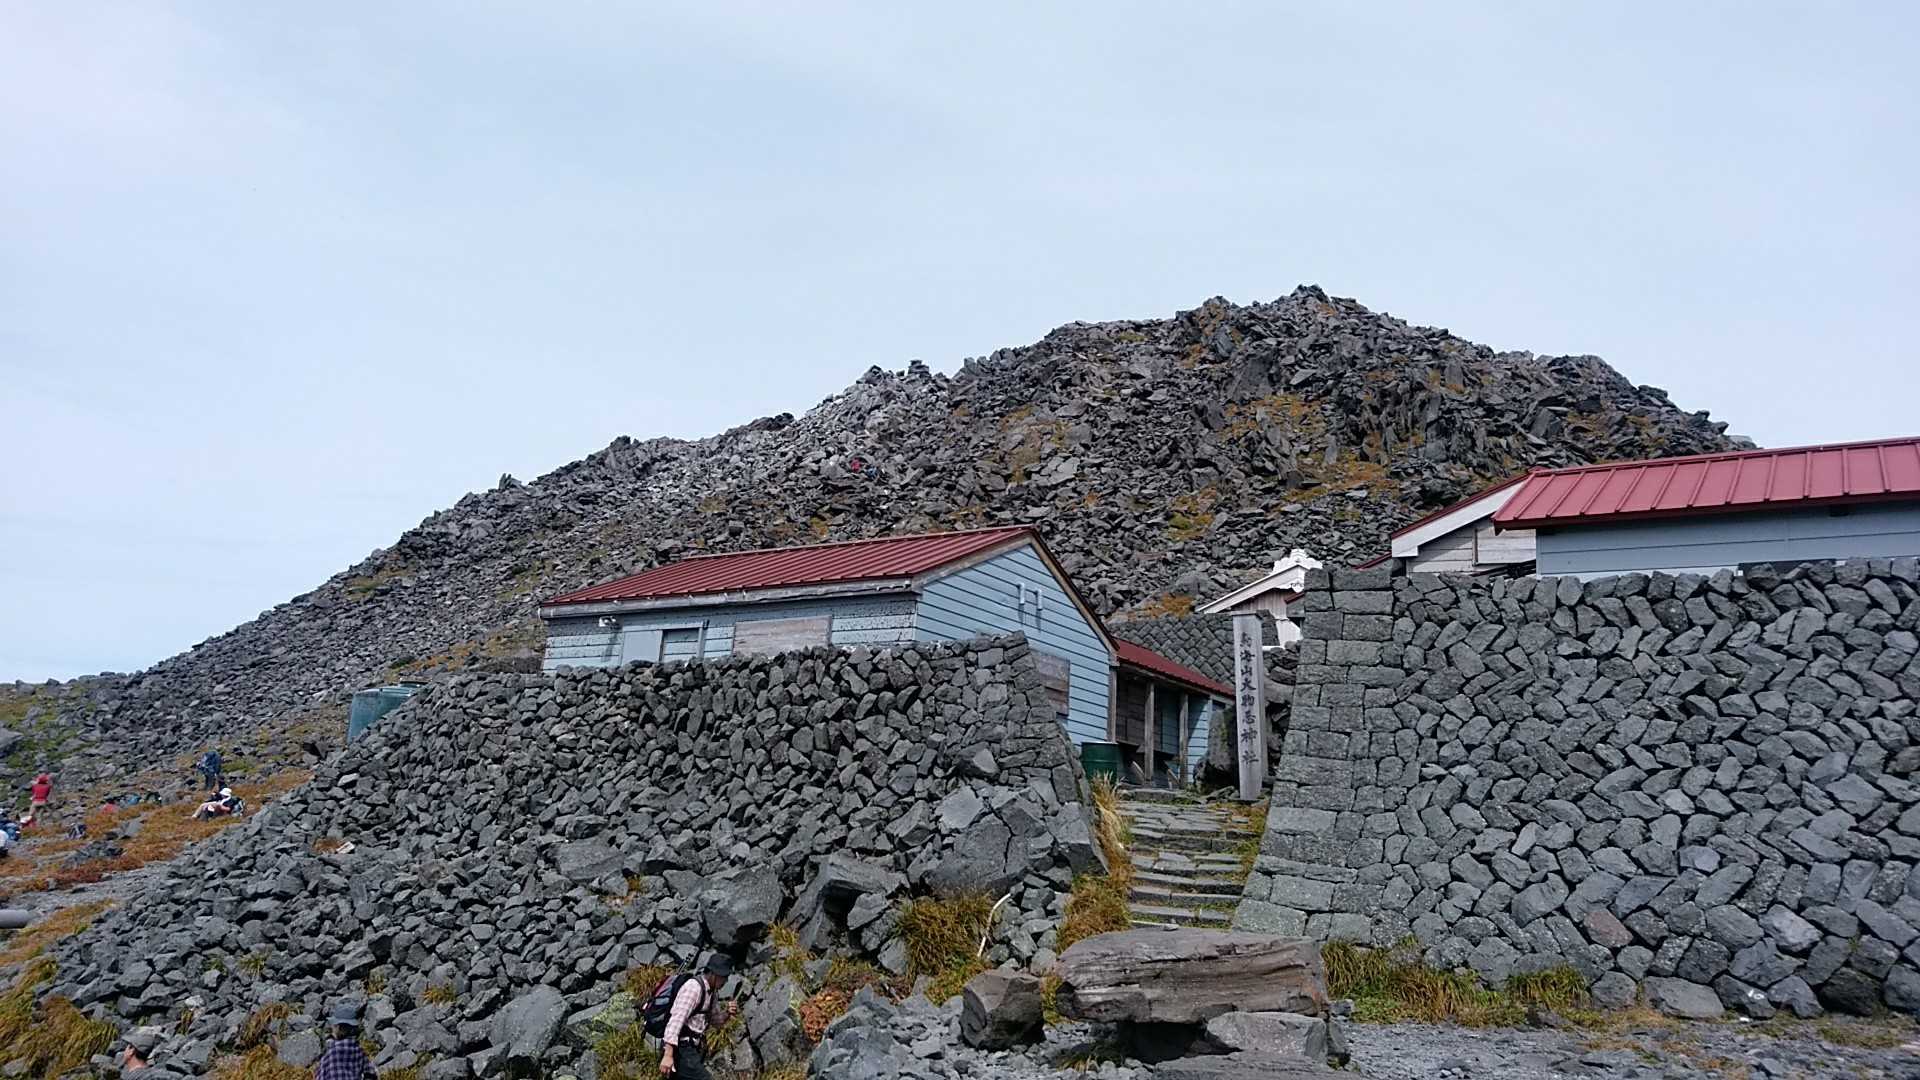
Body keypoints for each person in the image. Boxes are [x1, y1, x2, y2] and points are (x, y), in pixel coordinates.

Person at [659, 953, 732, 1079]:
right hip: (681, 1048)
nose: (725, 981)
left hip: (693, 1049)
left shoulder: (712, 993)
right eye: (723, 977)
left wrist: (728, 1013)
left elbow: (715, 1021)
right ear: (713, 974)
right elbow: (676, 1020)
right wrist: (668, 1055)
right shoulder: (693, 988)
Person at [314, 1004, 376, 1080]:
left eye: (333, 1025)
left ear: (338, 1027)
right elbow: (371, 1073)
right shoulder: (358, 1051)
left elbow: (320, 1076)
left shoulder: (331, 1053)